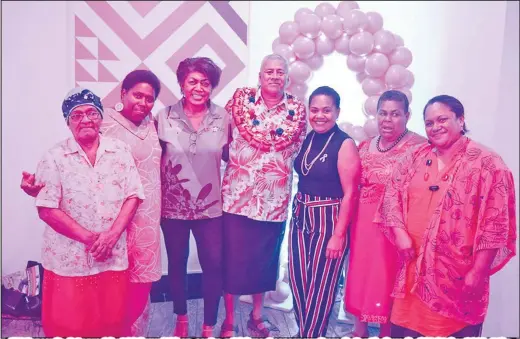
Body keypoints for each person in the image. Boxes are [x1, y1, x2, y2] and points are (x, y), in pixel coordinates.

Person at [21, 70, 163, 336]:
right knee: (71, 323)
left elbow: (134, 194)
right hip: (70, 258)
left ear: (100, 117)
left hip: (111, 256)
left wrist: (110, 238)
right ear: (67, 122)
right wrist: (92, 239)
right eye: (77, 115)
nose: (86, 119)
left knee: (110, 319)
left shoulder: (119, 150)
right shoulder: (54, 157)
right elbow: (47, 209)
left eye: (92, 113)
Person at [375, 94, 517, 337]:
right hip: (411, 270)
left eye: (442, 119)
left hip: (457, 277)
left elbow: (496, 224)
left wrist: (478, 272)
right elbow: (391, 197)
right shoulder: (415, 157)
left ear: (460, 120)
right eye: (429, 123)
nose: (435, 127)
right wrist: (400, 234)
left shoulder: (488, 163)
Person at [220, 54, 307, 337]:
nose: (274, 76)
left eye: (279, 72)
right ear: (259, 76)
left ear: (287, 78)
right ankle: (230, 319)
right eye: (268, 71)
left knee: (264, 261)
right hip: (237, 197)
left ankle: (257, 316)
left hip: (273, 202)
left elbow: (302, 151)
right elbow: (220, 137)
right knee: (231, 259)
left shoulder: (297, 110)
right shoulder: (239, 102)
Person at [156, 57, 229, 338]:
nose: (199, 87)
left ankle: (209, 325)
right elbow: (154, 157)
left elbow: (234, 158)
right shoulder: (163, 116)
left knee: (213, 264)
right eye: (193, 81)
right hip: (173, 206)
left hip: (210, 207)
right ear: (182, 84)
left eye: (205, 82)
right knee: (177, 263)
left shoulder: (223, 117)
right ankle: (181, 320)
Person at [344, 90, 426, 336]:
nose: (387, 120)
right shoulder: (366, 146)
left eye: (395, 114)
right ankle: (359, 329)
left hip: (396, 227)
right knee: (360, 274)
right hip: (363, 223)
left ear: (407, 115)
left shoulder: (420, 148)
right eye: (383, 113)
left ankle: (386, 331)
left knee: (388, 277)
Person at [289, 86, 361, 337]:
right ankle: (304, 331)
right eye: (315, 110)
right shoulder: (309, 138)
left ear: (337, 112)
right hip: (300, 215)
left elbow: (351, 193)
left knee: (321, 286)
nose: (320, 115)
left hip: (329, 219)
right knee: (298, 281)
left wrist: (339, 235)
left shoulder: (345, 143)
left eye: (326, 110)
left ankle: (310, 335)